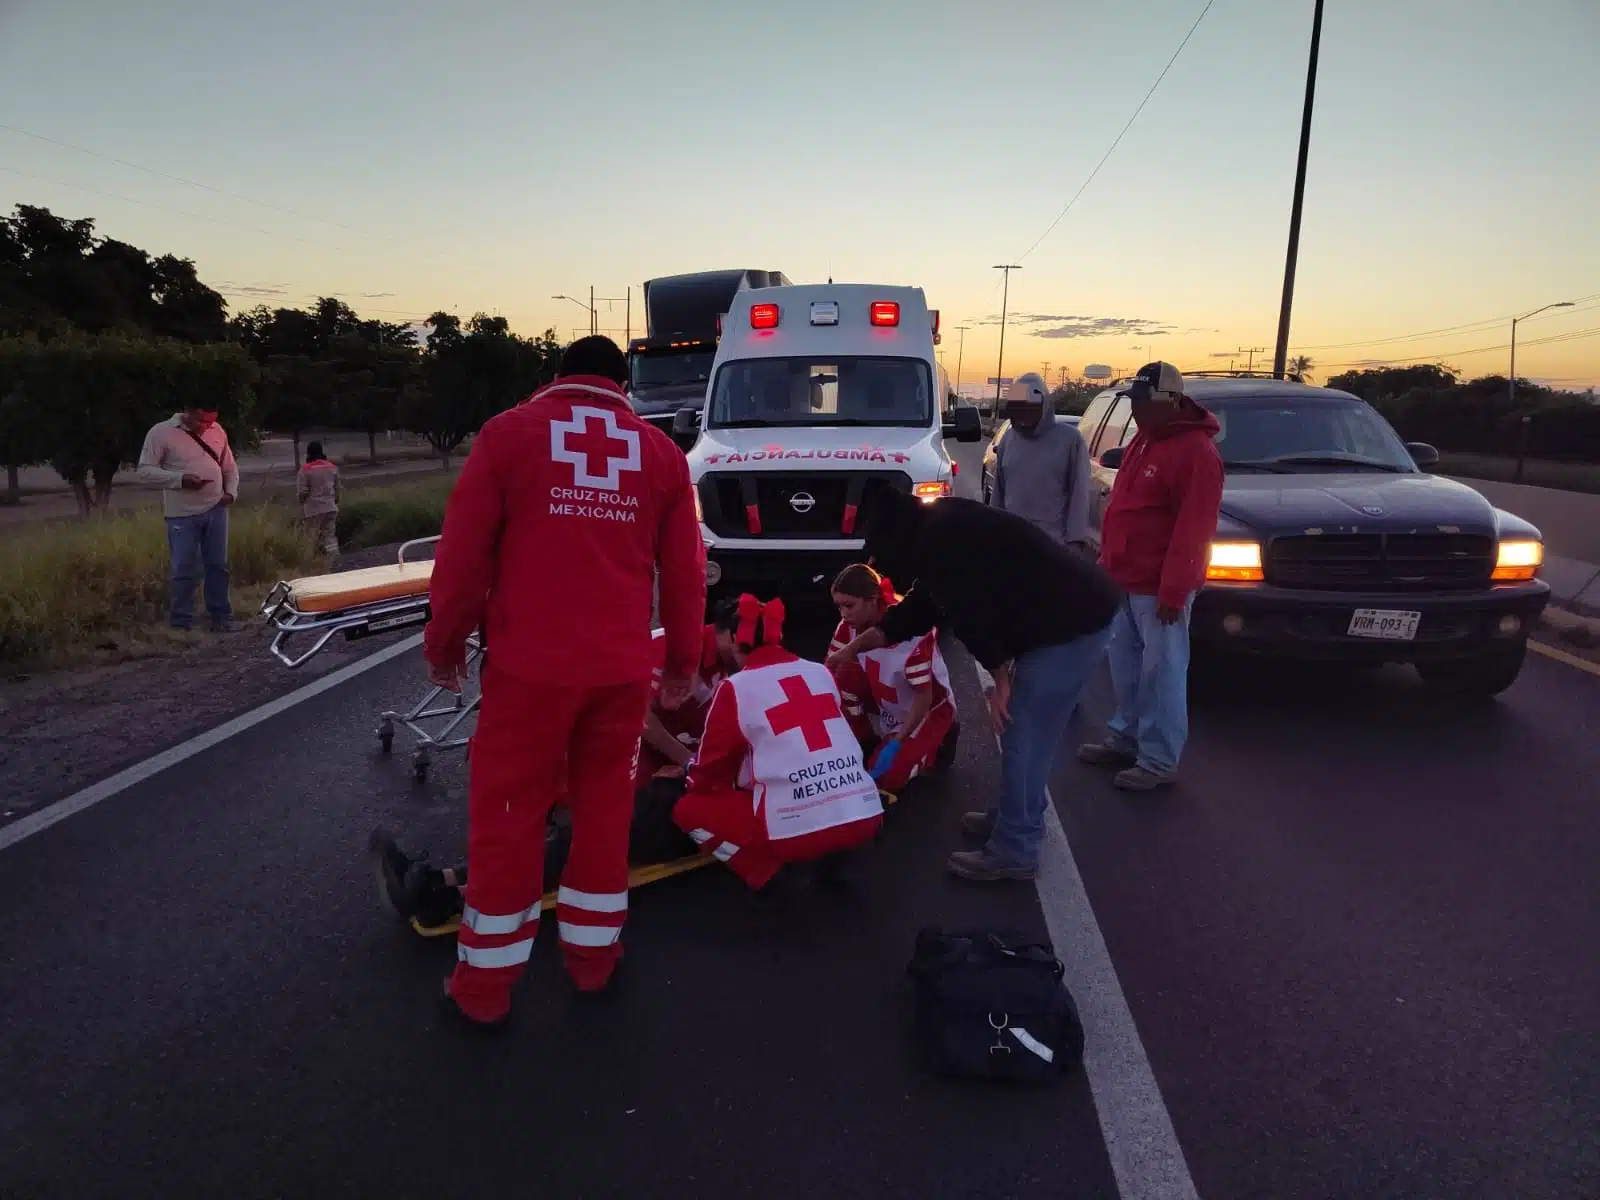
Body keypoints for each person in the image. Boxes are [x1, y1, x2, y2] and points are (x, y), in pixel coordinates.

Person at [422, 334, 707, 1029]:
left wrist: (445, 643)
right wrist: (680, 667)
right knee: (605, 816)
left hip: (529, 674)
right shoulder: (662, 456)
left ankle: (484, 990)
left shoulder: (508, 436)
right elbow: (687, 574)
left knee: (510, 819)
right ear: (624, 384)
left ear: (558, 376)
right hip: (619, 674)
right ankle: (593, 962)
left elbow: (460, 557)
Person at [828, 486, 1122, 882]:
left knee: (1024, 736)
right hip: (1068, 615)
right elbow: (918, 610)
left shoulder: (945, 540)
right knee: (1026, 735)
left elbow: (971, 617)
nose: (883, 567)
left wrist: (1000, 679)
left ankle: (1016, 848)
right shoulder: (936, 528)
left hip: (1072, 625)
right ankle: (1016, 816)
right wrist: (853, 649)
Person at [1077, 362, 1223, 792]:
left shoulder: (1196, 452)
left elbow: (1193, 530)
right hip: (1123, 578)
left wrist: (1174, 591)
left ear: (1173, 402)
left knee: (1162, 673)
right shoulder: (1145, 438)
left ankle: (1158, 760)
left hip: (1160, 588)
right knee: (1125, 669)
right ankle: (1126, 738)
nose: (1138, 412)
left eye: (1146, 404)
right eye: (1135, 404)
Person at [673, 594, 884, 890]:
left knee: (689, 809)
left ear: (735, 640)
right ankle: (840, 852)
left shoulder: (735, 688)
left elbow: (708, 774)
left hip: (793, 833)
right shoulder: (818, 672)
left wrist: (690, 776)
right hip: (865, 813)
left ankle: (769, 874)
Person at [827, 563, 957, 793]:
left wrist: (899, 739)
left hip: (925, 708)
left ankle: (941, 740)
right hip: (887, 697)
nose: (844, 614)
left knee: (887, 779)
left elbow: (923, 697)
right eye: (839, 606)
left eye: (849, 606)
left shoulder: (912, 632)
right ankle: (865, 738)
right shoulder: (848, 626)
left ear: (873, 599)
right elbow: (828, 673)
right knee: (841, 675)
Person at [136, 405, 240, 632]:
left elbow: (230, 467)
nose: (206, 427)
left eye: (211, 422)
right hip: (181, 514)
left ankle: (221, 616)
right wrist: (181, 479)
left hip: (216, 508)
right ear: (188, 412)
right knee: (183, 569)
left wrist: (231, 492)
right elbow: (144, 471)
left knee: (217, 566)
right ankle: (181, 623)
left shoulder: (217, 431)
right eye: (201, 421)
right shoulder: (160, 433)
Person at [989, 372, 1093, 554]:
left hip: (1052, 546)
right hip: (1012, 544)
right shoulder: (1008, 440)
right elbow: (999, 491)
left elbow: (1079, 494)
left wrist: (1075, 541)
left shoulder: (1069, 440)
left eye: (1031, 406)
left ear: (1044, 405)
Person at [296, 441, 341, 556]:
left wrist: (302, 503)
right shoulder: (332, 467)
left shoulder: (305, 470)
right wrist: (335, 501)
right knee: (329, 537)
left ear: (308, 453)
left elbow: (303, 492)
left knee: (312, 537)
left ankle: (313, 562)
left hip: (313, 509)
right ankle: (334, 560)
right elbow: (337, 489)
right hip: (330, 507)